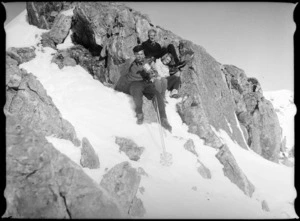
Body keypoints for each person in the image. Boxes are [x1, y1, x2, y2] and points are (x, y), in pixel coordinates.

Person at [114, 45, 172, 132]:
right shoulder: (133, 64)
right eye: (137, 54)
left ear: (144, 54)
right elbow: (129, 75)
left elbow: (154, 72)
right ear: (134, 55)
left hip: (146, 83)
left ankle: (163, 119)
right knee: (136, 89)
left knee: (157, 94)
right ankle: (139, 113)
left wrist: (152, 73)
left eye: (141, 54)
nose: (140, 56)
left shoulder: (147, 63)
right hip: (135, 83)